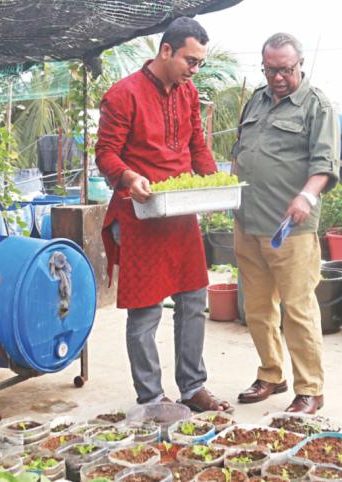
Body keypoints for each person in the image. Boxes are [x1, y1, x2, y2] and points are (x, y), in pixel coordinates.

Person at [96, 17, 231, 412]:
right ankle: (152, 397)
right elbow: (105, 153)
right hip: (139, 212)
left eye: (200, 63)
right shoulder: (123, 95)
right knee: (146, 309)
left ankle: (192, 388)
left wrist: (216, 183)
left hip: (180, 215)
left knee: (193, 300)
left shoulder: (188, 93)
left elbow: (196, 145)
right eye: (191, 60)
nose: (195, 69)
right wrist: (128, 175)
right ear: (166, 50)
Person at [231, 32, 339, 414]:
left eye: (286, 70)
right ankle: (271, 375)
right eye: (271, 69)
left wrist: (305, 196)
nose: (278, 77)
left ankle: (310, 388)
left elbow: (324, 165)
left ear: (300, 65)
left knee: (298, 308)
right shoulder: (256, 101)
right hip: (248, 222)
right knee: (258, 308)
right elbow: (239, 155)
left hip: (291, 228)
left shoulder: (317, 106)